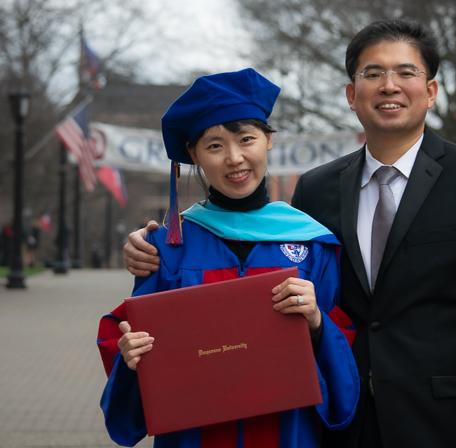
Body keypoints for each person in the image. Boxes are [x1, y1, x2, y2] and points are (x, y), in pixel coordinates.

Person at [124, 21, 456, 448]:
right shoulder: (317, 190)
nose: (389, 85)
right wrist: (147, 250)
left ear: (430, 91)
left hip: (438, 421)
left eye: (405, 73)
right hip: (340, 428)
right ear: (352, 95)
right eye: (373, 73)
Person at [98, 68, 359, 448]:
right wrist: (131, 356)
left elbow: (344, 341)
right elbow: (136, 338)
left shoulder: (313, 243)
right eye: (215, 146)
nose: (234, 158)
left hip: (287, 432)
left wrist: (317, 322)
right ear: (195, 155)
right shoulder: (170, 247)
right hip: (194, 434)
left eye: (246, 139)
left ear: (269, 141)